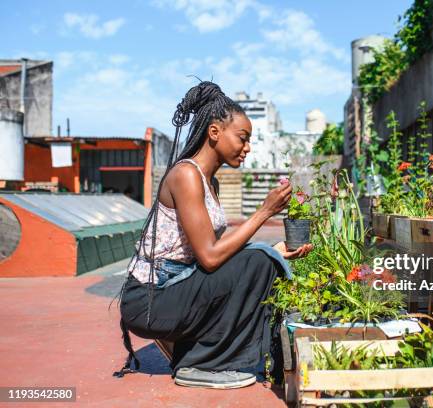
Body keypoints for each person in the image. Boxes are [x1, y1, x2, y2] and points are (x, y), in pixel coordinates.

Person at [112, 81, 313, 389]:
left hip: (178, 288)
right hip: (150, 299)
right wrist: (263, 213)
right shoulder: (186, 175)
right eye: (242, 138)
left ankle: (202, 354)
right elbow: (209, 257)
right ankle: (202, 364)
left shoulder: (210, 182)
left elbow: (217, 251)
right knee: (258, 261)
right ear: (215, 132)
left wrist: (274, 250)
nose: (247, 148)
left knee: (261, 260)